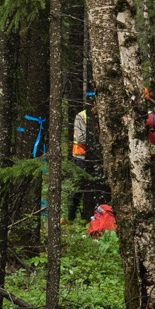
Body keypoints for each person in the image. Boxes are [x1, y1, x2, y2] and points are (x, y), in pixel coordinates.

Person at [66, 92, 105, 222]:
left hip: (96, 158)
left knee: (97, 188)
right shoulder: (81, 116)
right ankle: (71, 218)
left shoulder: (102, 116)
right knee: (78, 188)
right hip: (80, 157)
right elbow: (81, 137)